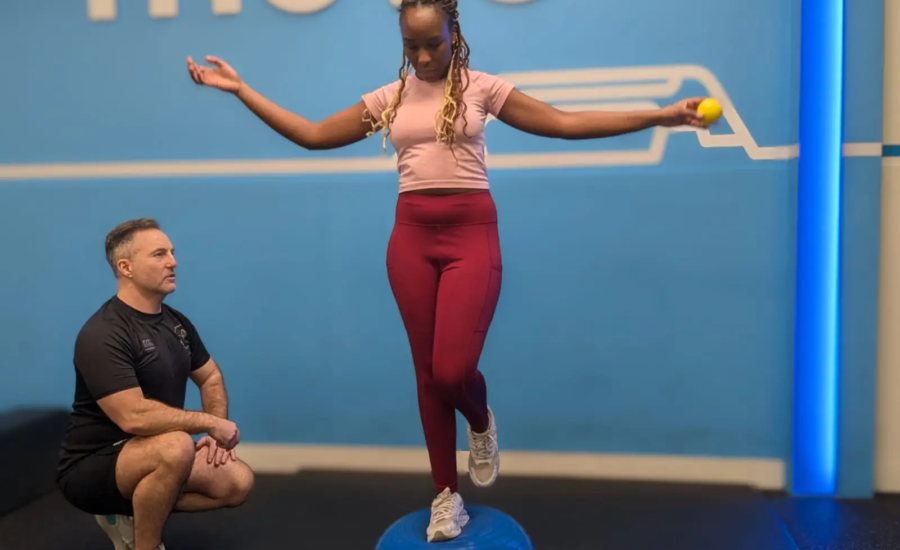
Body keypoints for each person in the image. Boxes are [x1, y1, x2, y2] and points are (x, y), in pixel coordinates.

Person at [186, 0, 710, 542]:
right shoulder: (391, 98)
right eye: (410, 46)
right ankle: (445, 496)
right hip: (410, 241)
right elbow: (314, 134)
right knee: (426, 376)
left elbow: (563, 122)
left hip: (471, 237)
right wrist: (241, 90)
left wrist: (661, 115)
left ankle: (480, 422)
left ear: (452, 32)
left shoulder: (482, 88)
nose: (421, 56)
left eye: (431, 43)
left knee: (452, 371)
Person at [55, 218, 255, 550]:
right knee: (175, 446)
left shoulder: (176, 323)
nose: (173, 261)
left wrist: (213, 437)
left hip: (155, 454)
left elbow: (211, 377)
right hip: (92, 464)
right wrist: (210, 422)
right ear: (126, 267)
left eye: (172, 253)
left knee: (236, 482)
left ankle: (126, 512)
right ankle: (145, 545)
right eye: (159, 254)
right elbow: (133, 417)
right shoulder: (103, 333)